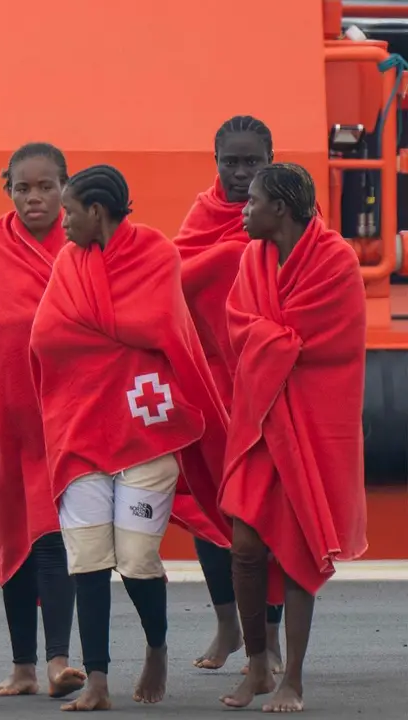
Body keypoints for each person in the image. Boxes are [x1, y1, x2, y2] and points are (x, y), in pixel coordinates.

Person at [29, 165, 233, 711]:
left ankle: (157, 647)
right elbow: (46, 336)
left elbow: (159, 325)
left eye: (68, 211)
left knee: (138, 557)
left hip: (146, 426)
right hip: (79, 429)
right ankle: (97, 679)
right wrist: (113, 339)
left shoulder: (157, 254)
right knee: (90, 558)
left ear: (96, 213)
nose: (62, 221)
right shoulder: (67, 264)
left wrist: (100, 334)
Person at [218, 163, 368, 713]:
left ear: (279, 208)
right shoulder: (252, 259)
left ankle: (293, 680)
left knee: (302, 543)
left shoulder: (337, 262)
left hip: (312, 422)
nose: (243, 208)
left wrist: (271, 339)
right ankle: (258, 663)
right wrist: (276, 340)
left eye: (252, 201)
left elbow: (332, 343)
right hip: (260, 421)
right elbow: (239, 324)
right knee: (245, 544)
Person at [0, 142, 86, 699]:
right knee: (12, 539)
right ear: (7, 188)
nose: (34, 199)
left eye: (46, 187)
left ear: (65, 187)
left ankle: (59, 660)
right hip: (2, 417)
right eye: (23, 189)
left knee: (52, 535)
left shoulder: (81, 243)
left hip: (61, 419)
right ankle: (23, 666)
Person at [174, 115, 286, 675]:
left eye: (252, 162)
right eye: (230, 162)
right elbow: (172, 282)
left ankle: (267, 634)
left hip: (265, 384)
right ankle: (227, 626)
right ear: (214, 161)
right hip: (208, 382)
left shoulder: (289, 214)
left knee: (266, 511)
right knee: (206, 507)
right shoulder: (200, 216)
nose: (241, 173)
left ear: (270, 159)